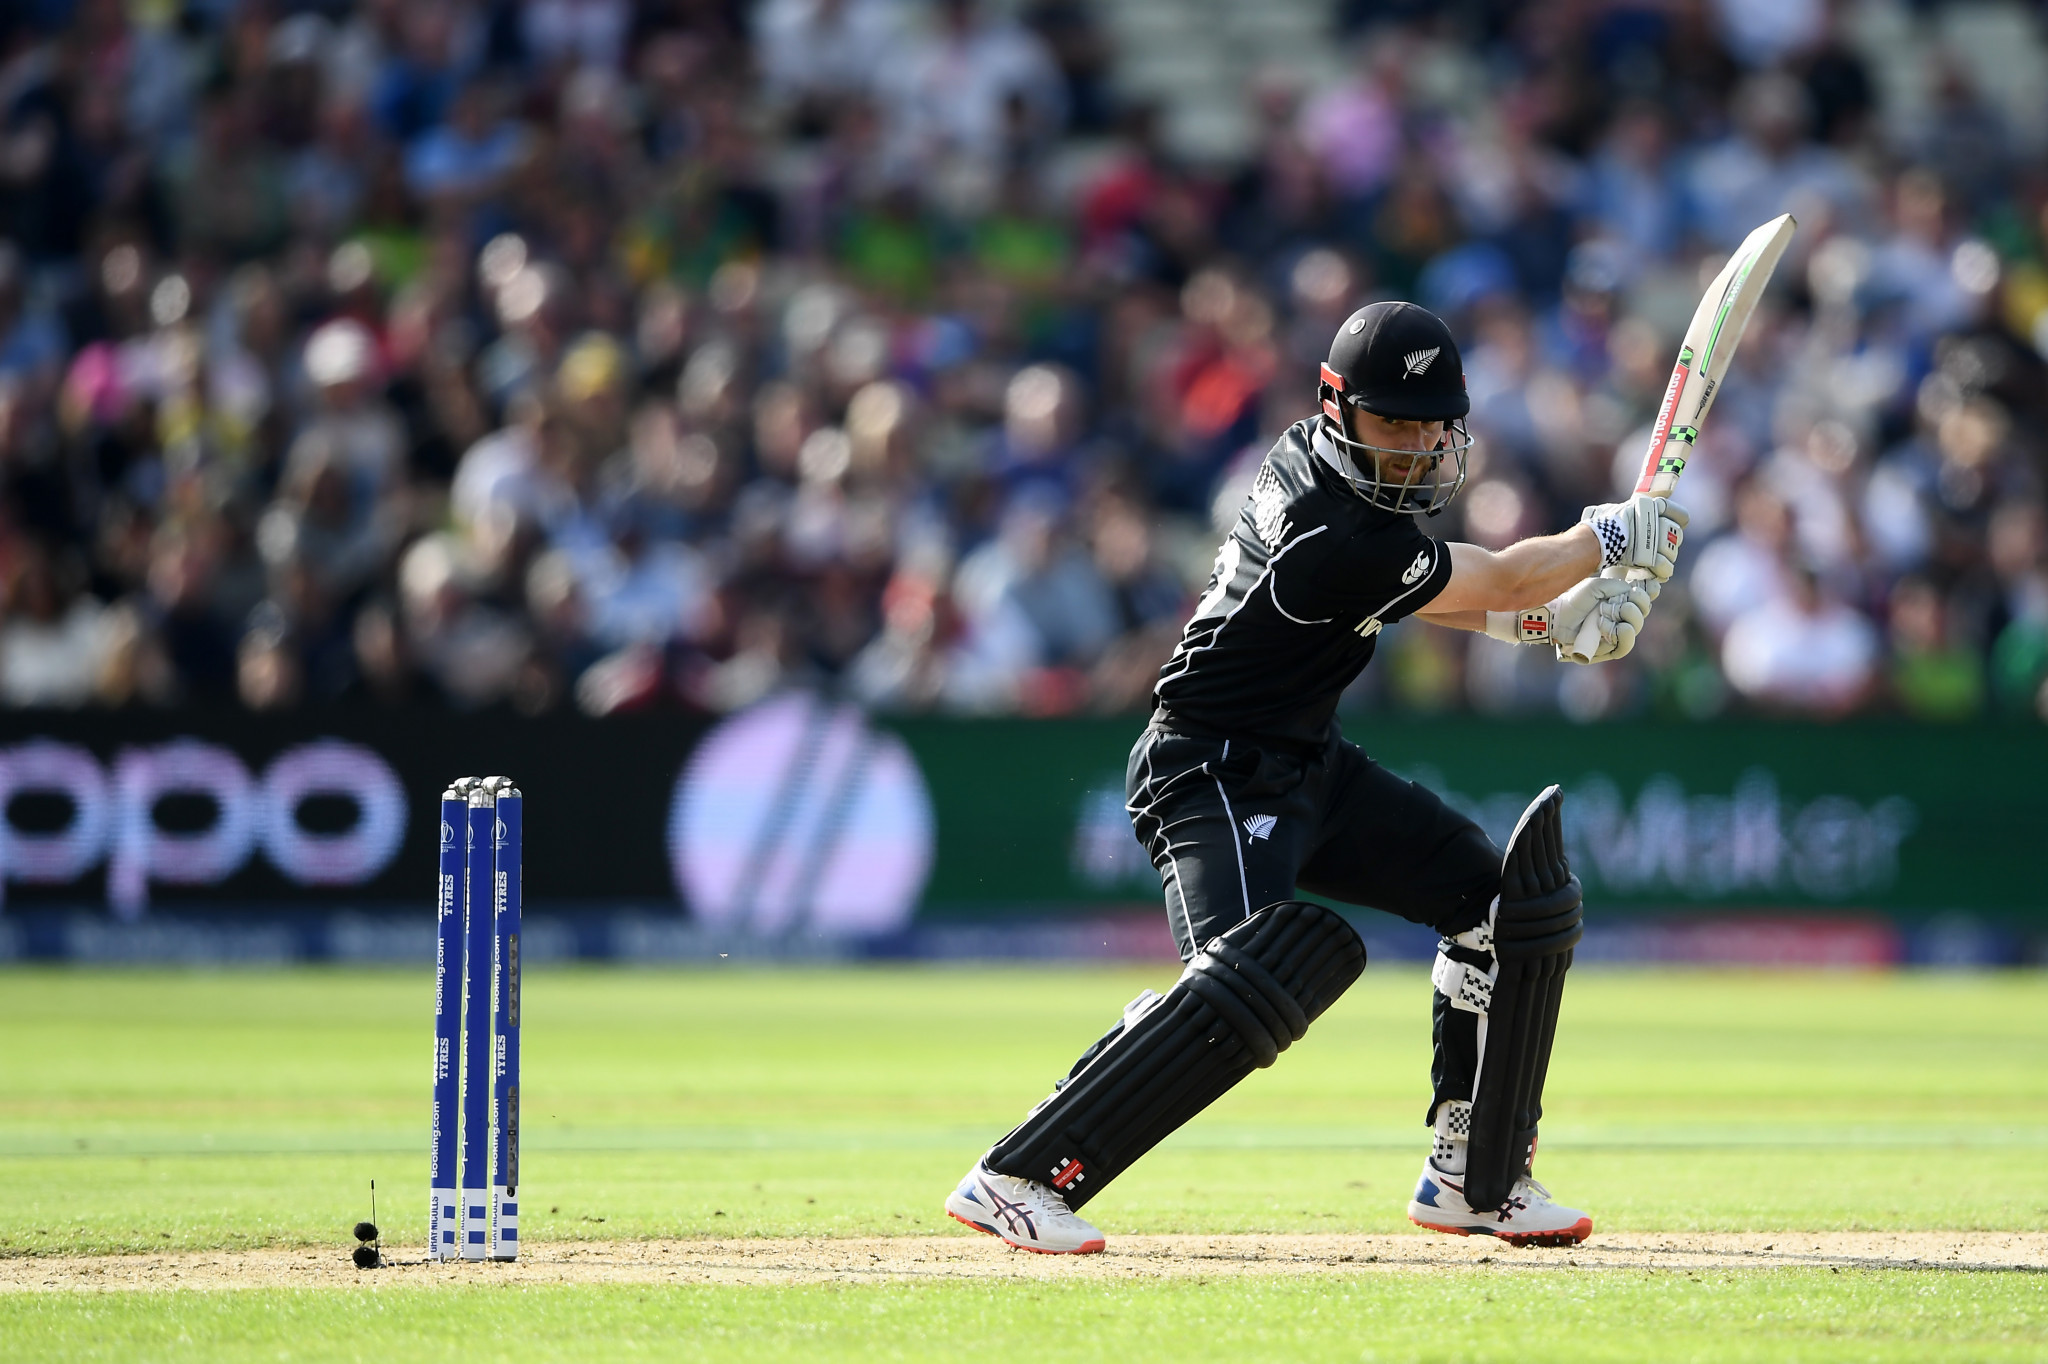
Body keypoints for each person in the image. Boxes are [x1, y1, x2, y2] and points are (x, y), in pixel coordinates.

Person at [942, 301, 1686, 1252]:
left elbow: (1429, 593)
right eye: (1393, 423)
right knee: (1243, 980)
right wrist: (1607, 545)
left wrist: (1549, 627)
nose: (1416, 447)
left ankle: (1474, 1175)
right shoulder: (1327, 527)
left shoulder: (1331, 477)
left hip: (1310, 763)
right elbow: (1492, 578)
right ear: (1338, 408)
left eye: (1431, 425)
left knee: (1500, 904)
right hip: (1209, 766)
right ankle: (1018, 1175)